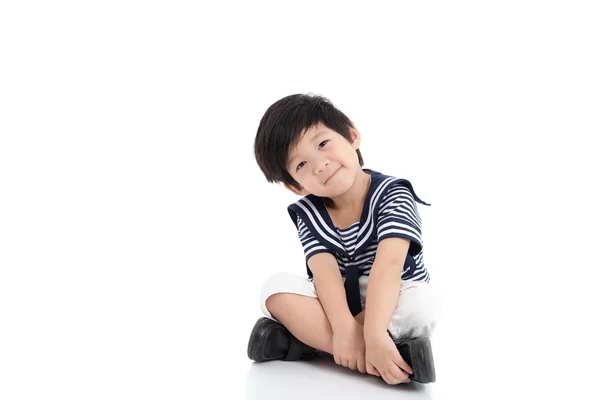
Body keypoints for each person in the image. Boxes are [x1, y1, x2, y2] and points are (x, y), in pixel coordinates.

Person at [247, 93, 441, 385]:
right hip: (334, 305)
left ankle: (306, 343)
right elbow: (324, 273)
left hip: (392, 294)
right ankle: (381, 356)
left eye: (323, 144)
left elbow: (388, 265)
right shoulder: (308, 212)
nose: (320, 165)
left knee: (423, 304)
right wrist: (344, 328)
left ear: (352, 135)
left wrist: (374, 330)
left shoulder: (393, 194)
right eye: (301, 165)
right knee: (274, 289)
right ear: (294, 186)